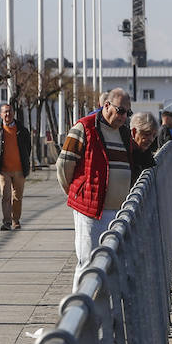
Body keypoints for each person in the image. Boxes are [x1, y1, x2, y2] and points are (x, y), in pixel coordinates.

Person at [58, 87, 134, 272]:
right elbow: (63, 166)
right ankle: (82, 300)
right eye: (121, 111)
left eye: (128, 112)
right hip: (91, 211)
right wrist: (77, 193)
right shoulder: (84, 127)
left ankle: (104, 301)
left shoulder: (124, 133)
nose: (124, 117)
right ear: (107, 105)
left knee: (112, 265)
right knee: (88, 262)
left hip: (118, 212)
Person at [0, 103, 32, 230]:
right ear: (1, 114)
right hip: (3, 170)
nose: (8, 114)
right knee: (5, 196)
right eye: (5, 112)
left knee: (17, 197)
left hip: (19, 169)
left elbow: (27, 148)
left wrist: (25, 162)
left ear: (13, 113)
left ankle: (16, 220)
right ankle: (6, 221)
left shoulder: (22, 130)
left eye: (10, 111)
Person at [129, 111, 158, 182]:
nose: (151, 139)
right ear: (134, 132)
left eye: (154, 136)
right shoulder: (126, 153)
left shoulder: (146, 154)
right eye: (147, 134)